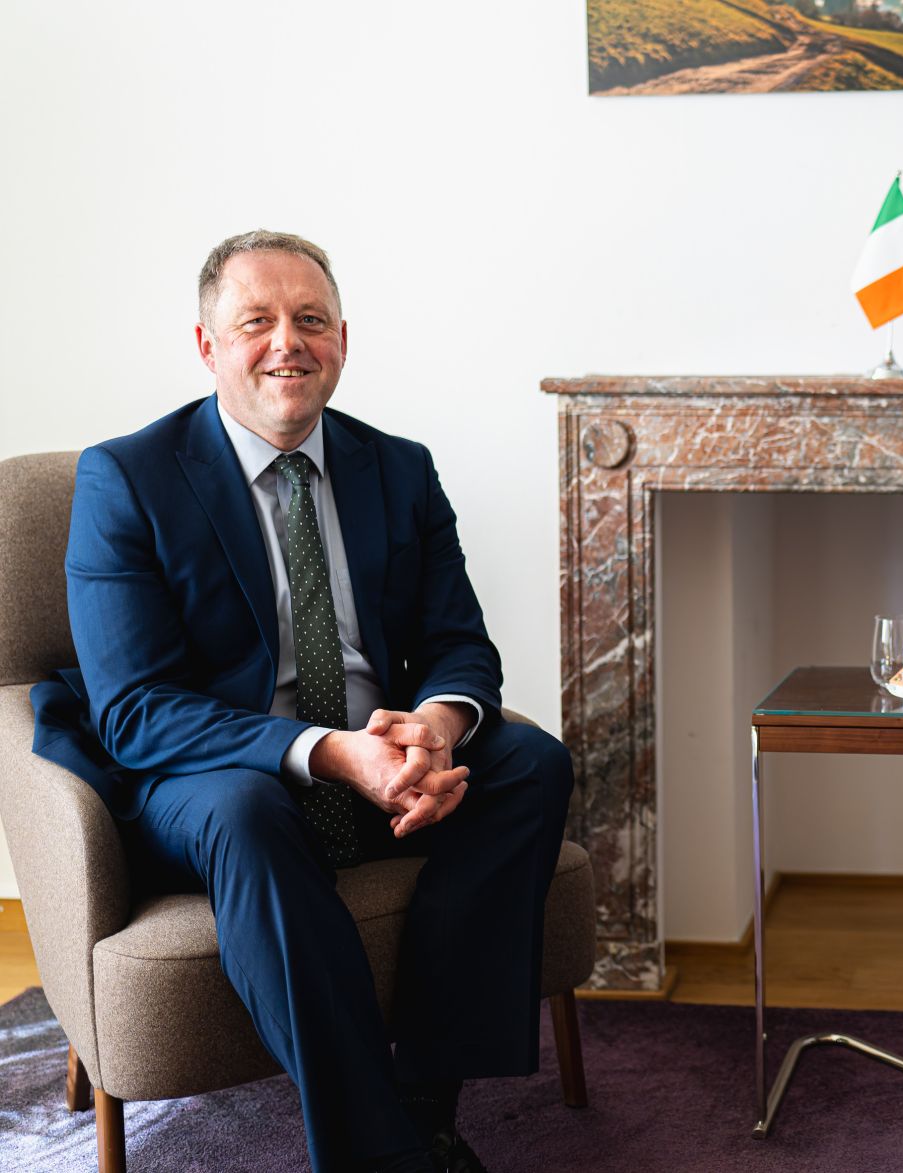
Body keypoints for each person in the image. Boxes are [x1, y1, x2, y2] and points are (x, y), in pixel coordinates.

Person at [31, 230, 574, 1173]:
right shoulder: (129, 479)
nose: (288, 341)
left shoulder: (396, 468)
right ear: (208, 346)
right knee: (247, 810)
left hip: (382, 757)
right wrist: (330, 752)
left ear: (343, 339)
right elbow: (136, 711)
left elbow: (457, 642)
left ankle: (425, 1102)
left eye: (310, 319)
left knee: (531, 763)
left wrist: (433, 733)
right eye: (257, 321)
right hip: (212, 775)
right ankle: (378, 1153)